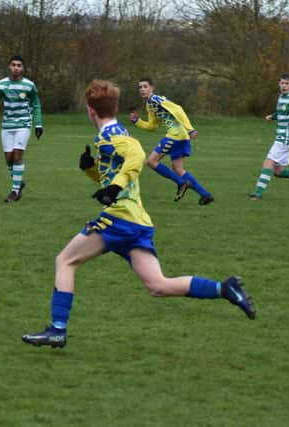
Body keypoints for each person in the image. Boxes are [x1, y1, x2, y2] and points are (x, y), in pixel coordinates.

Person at [22, 80, 255, 349]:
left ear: (90, 111)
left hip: (118, 219)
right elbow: (118, 174)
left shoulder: (111, 136)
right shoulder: (114, 132)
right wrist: (91, 171)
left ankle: (58, 329)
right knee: (158, 285)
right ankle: (225, 289)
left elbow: (136, 156)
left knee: (65, 260)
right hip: (137, 222)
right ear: (115, 107)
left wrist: (114, 188)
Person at [129, 77, 214, 205]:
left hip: (175, 135)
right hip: (182, 136)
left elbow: (178, 110)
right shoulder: (149, 104)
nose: (142, 89)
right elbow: (153, 126)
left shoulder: (156, 99)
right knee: (178, 169)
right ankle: (206, 195)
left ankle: (181, 183)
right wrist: (137, 121)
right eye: (140, 87)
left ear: (152, 88)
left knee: (151, 161)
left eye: (145, 86)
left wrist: (190, 129)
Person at [0, 55, 43, 203]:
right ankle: (18, 182)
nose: (16, 67)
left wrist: (38, 124)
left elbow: (36, 105)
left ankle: (15, 191)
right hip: (7, 125)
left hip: (24, 124)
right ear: (9, 67)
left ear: (23, 68)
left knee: (17, 156)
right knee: (8, 159)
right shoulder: (1, 85)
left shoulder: (29, 85)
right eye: (13, 65)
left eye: (19, 65)